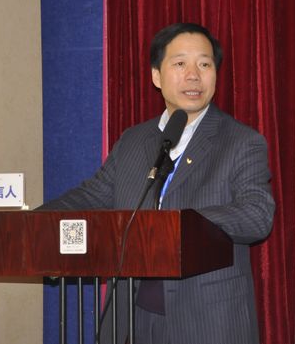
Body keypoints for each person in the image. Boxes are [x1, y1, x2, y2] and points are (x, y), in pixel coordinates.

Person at [40, 23, 275, 344]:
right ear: (156, 76)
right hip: (132, 316)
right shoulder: (134, 141)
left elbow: (257, 216)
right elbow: (91, 195)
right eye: (180, 64)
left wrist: (176, 225)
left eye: (204, 64)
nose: (193, 75)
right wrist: (34, 227)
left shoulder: (241, 142)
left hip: (206, 319)